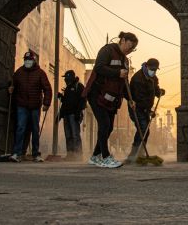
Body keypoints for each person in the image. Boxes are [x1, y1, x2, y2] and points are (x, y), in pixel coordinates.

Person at [83, 31, 138, 168]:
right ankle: (106, 157)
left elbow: (124, 82)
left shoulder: (125, 61)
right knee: (104, 124)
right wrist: (117, 72)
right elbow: (99, 67)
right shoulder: (107, 50)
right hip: (97, 93)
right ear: (123, 40)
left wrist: (129, 98)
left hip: (112, 98)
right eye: (130, 46)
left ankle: (95, 156)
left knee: (109, 127)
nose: (130, 50)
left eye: (133, 49)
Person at [8, 50, 52, 163]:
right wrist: (11, 89)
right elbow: (13, 84)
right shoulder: (19, 72)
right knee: (20, 128)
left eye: (29, 60)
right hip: (22, 105)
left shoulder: (40, 73)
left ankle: (35, 154)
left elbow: (47, 89)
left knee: (35, 129)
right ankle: (17, 153)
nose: (27, 62)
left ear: (34, 61)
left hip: (35, 106)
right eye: (26, 60)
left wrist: (46, 103)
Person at [126, 57, 165, 163]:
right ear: (146, 66)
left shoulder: (153, 78)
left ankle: (140, 153)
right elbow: (140, 99)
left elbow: (155, 89)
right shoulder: (138, 79)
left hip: (145, 109)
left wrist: (159, 92)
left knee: (146, 131)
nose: (154, 71)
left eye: (155, 69)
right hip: (136, 108)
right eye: (152, 69)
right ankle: (133, 155)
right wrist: (149, 112)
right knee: (143, 129)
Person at [58, 69, 86, 158]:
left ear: (70, 78)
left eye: (66, 78)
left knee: (75, 135)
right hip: (66, 115)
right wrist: (59, 115)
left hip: (74, 115)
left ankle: (78, 155)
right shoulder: (67, 88)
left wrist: (78, 112)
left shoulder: (79, 86)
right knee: (68, 135)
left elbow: (83, 100)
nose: (65, 80)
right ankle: (70, 154)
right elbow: (65, 103)